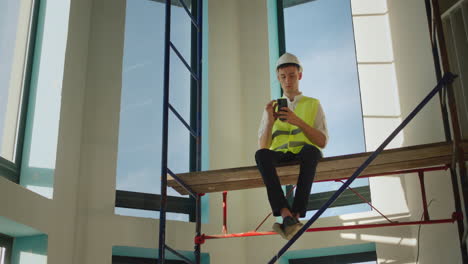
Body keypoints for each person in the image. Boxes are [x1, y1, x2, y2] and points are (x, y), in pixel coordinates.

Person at [255, 52, 328, 240]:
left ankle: (295, 215)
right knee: (261, 156)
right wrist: (270, 121)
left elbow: (322, 141)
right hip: (280, 156)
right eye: (283, 77)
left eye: (292, 76)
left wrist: (298, 122)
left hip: (304, 154)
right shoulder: (271, 108)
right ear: (278, 79)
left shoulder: (313, 104)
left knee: (312, 151)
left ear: (300, 76)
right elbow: (263, 147)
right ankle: (287, 214)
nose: (288, 81)